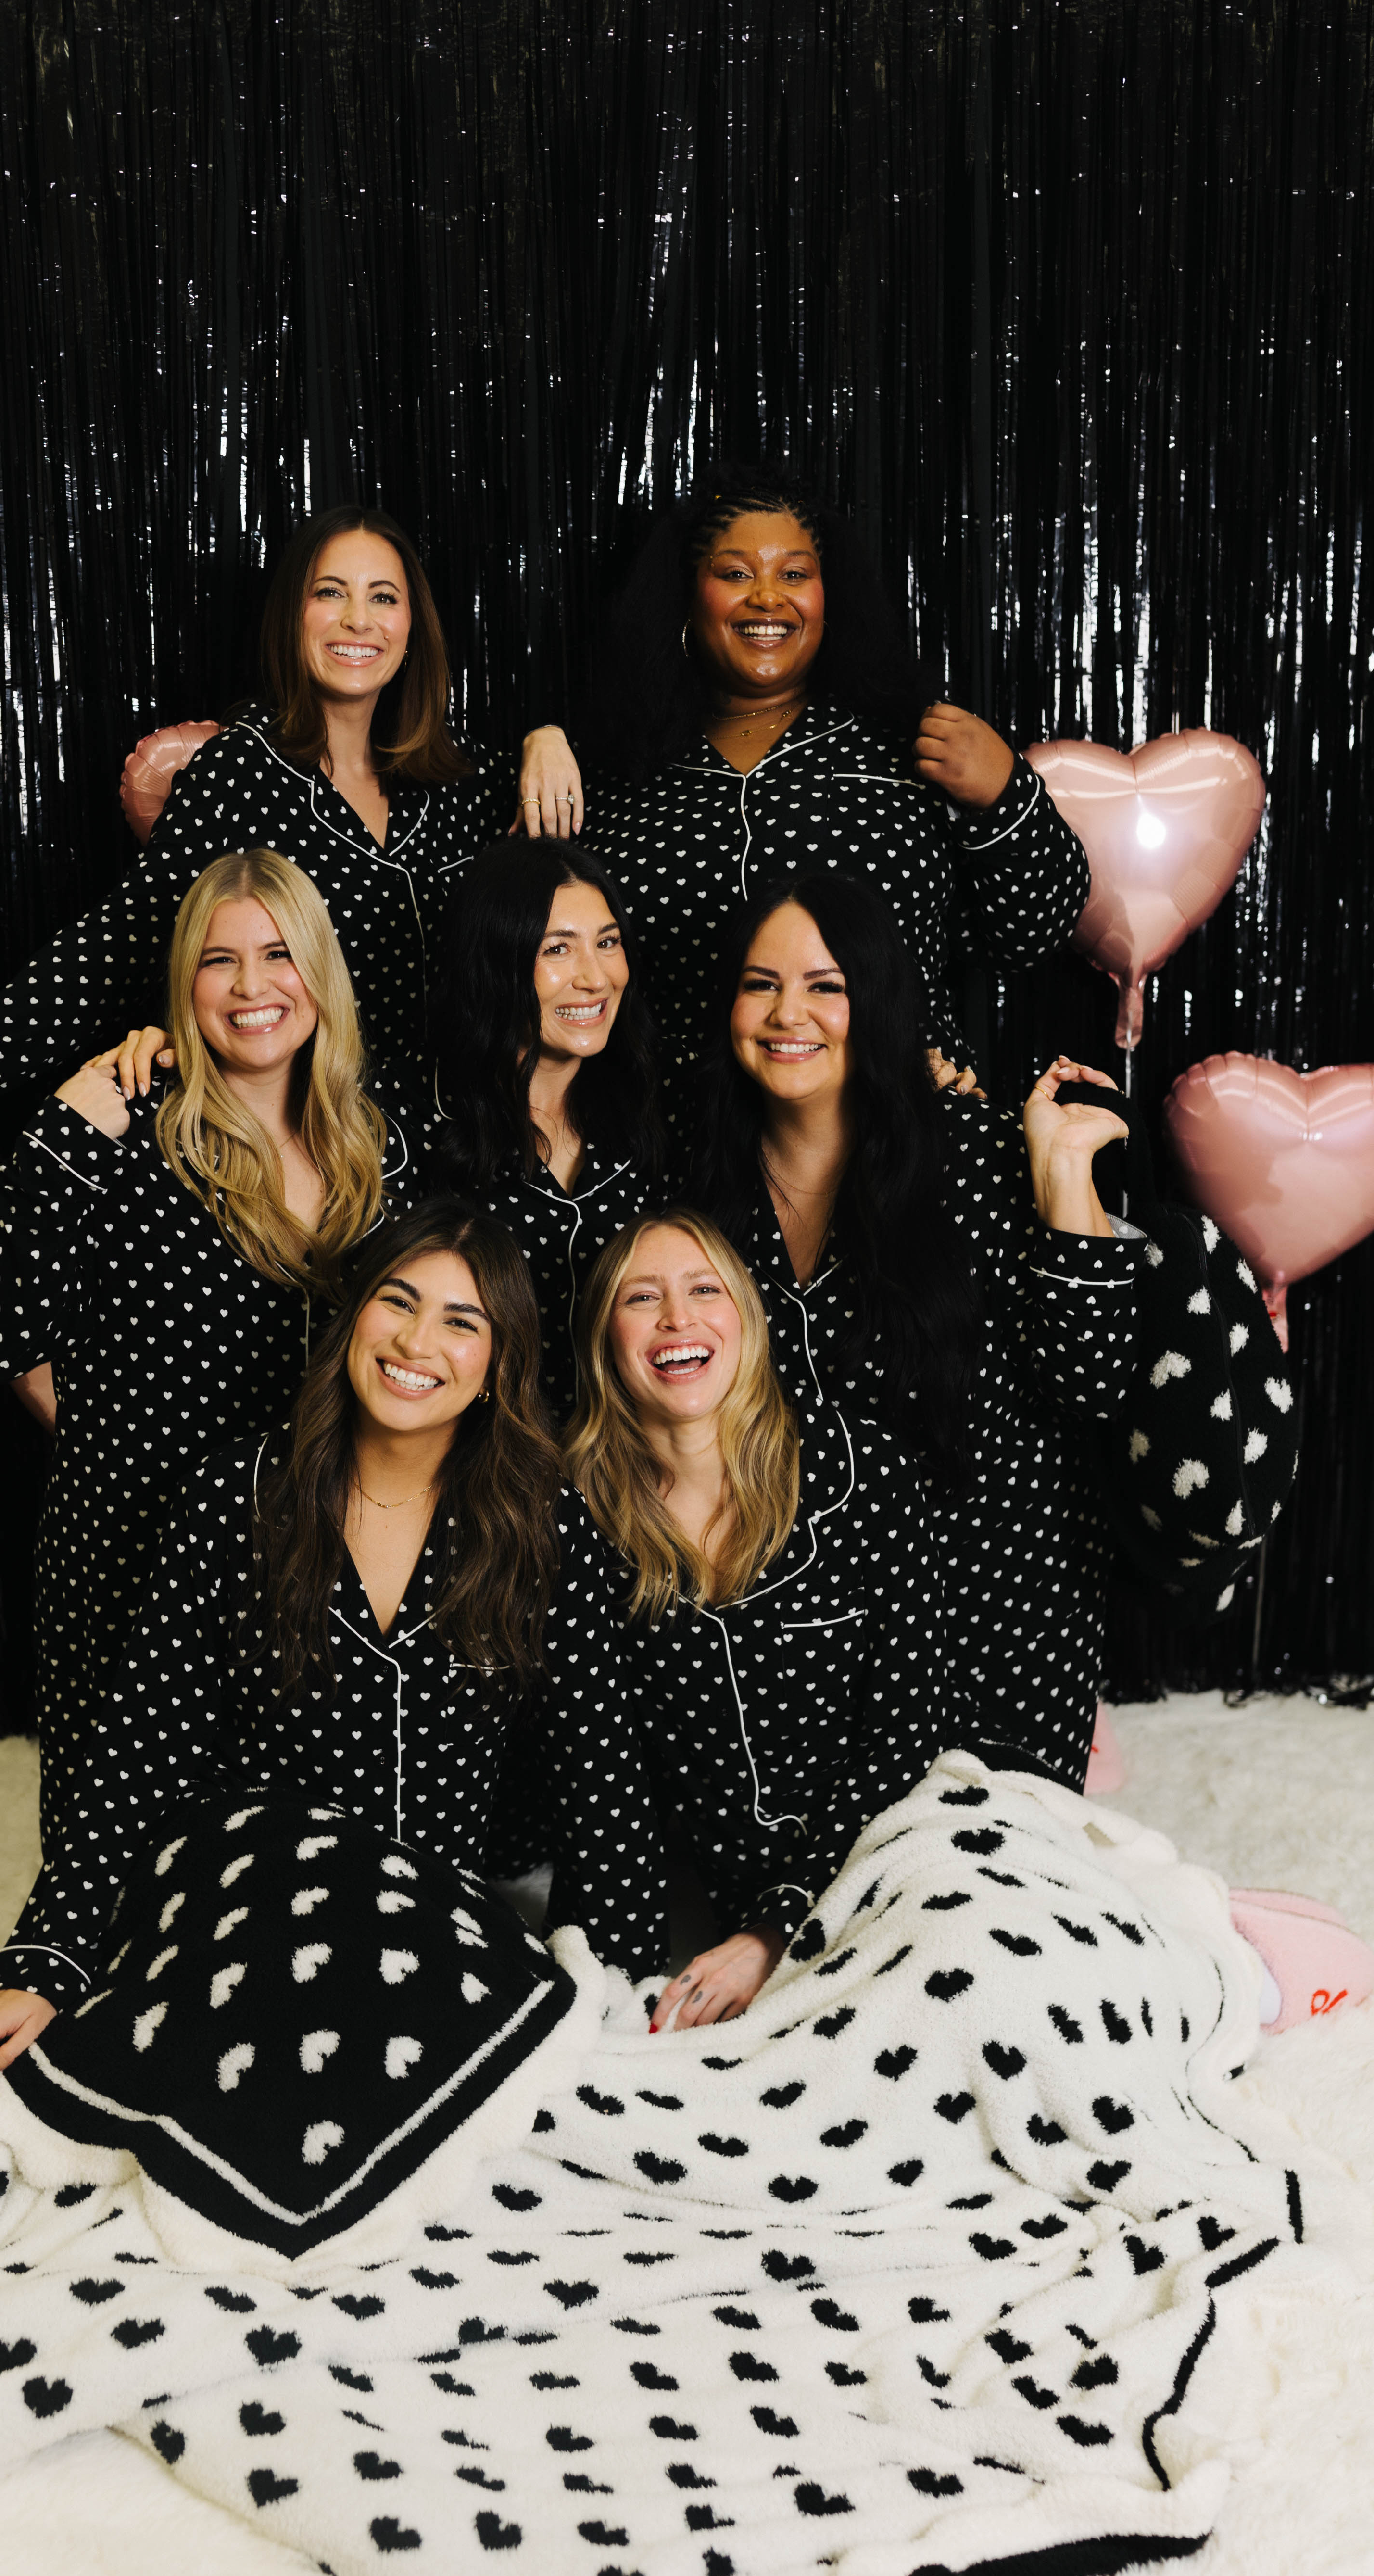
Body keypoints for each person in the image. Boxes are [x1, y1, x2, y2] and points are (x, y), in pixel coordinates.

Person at [0, 1205, 669, 2235]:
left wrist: (621, 1990)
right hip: (247, 1892)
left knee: (466, 2090)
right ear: (352, 1318)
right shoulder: (235, 1493)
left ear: (500, 1362)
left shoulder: (542, 1524)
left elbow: (602, 1776)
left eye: (461, 1322)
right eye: (397, 1302)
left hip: (425, 1924)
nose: (417, 1342)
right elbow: (139, 1748)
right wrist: (46, 1961)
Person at [691, 867, 1287, 1789]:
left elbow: (1089, 1379)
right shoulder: (701, 1187)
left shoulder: (971, 1154)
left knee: (974, 1860)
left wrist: (1061, 1174)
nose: (786, 1014)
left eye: (825, 985)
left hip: (998, 1606)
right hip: (802, 1615)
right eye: (759, 984)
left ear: (879, 1001)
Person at [0, 507, 583, 1151]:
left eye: (383, 597)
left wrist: (546, 735)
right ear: (293, 617)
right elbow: (115, 945)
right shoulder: (241, 772)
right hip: (315, 1147)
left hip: (465, 1143)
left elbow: (596, 894)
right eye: (331, 593)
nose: (359, 619)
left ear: (412, 627)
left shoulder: (460, 779)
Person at [0, 850, 416, 1860]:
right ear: (185, 983)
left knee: (296, 1872)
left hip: (321, 1553)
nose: (252, 987)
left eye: (278, 954)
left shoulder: (383, 1143)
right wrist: (106, 1447)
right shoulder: (126, 1129)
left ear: (320, 970)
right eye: (220, 961)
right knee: (132, 1871)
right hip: (138, 1544)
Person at [556, 462, 1090, 1071]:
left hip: (895, 1111)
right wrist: (542, 744)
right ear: (686, 597)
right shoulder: (620, 771)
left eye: (794, 574)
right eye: (736, 574)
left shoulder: (911, 750)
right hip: (677, 1121)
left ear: (829, 597)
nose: (767, 595)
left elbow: (1031, 935)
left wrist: (1007, 794)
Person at [566, 1210, 944, 2033]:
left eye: (704, 1290)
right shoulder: (579, 1520)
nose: (677, 1317)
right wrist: (622, 1999)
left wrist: (777, 1929)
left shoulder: (861, 1473)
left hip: (909, 1850)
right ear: (603, 1339)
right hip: (737, 1901)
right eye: (641, 1297)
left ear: (748, 1318)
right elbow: (604, 1773)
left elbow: (905, 1737)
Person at [419, 837, 668, 1416]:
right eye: (558, 949)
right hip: (479, 1451)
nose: (595, 977)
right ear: (497, 960)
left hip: (629, 1450)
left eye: (608, 943)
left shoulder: (655, 1102)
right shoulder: (417, 1122)